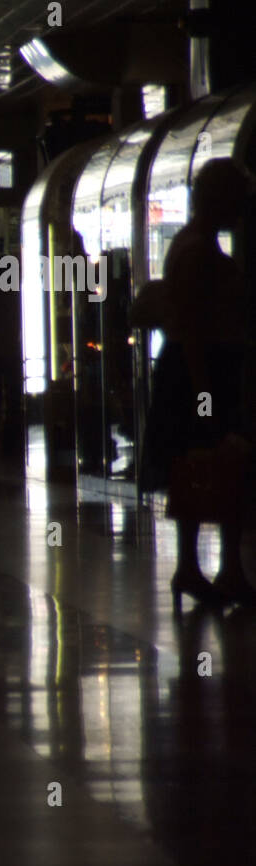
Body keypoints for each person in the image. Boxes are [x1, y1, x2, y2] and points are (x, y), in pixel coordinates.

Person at [142, 157, 255, 610]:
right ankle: (213, 568)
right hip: (201, 375)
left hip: (195, 373)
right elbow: (193, 327)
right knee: (215, 456)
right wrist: (205, 395)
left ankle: (199, 567)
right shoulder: (199, 251)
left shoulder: (193, 244)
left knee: (196, 462)